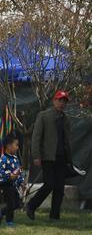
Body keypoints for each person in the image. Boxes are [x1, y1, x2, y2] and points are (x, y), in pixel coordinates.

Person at [27, 90, 73, 222]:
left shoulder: (66, 119)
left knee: (59, 188)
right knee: (49, 184)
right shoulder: (44, 116)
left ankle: (54, 216)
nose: (62, 103)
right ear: (54, 101)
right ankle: (31, 205)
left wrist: (70, 159)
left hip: (62, 157)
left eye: (64, 101)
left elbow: (67, 140)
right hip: (47, 156)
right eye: (59, 100)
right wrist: (36, 155)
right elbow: (36, 137)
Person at [0, 133, 23, 227]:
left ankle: (0, 213)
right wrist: (9, 176)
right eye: (16, 145)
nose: (17, 147)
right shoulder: (3, 159)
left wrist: (21, 182)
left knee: (17, 203)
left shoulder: (15, 159)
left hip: (13, 185)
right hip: (5, 184)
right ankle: (9, 222)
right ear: (9, 146)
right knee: (10, 203)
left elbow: (18, 172)